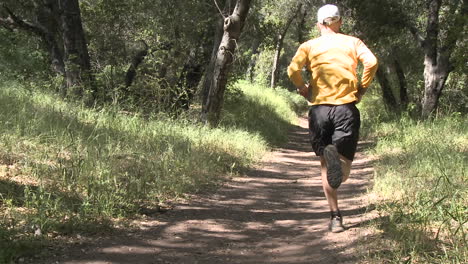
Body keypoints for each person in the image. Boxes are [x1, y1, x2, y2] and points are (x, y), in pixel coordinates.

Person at [287, 4, 378, 233]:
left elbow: (292, 70)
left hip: (319, 111)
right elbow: (372, 62)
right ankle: (340, 167)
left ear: (319, 25)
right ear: (339, 22)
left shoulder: (309, 46)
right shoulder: (353, 42)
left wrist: (303, 88)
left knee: (326, 166)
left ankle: (335, 217)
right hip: (345, 109)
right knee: (342, 165)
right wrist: (362, 87)